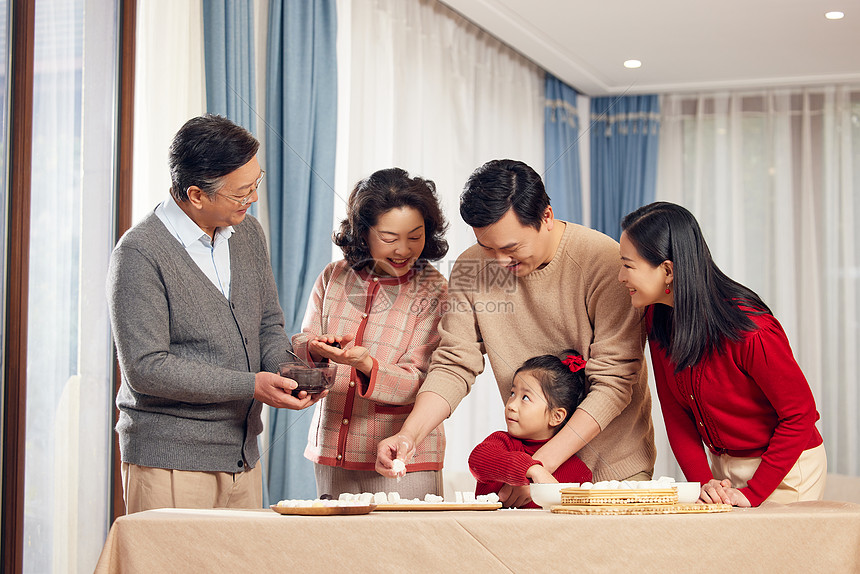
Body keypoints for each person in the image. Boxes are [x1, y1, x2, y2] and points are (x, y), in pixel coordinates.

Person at [376, 159, 655, 508]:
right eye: (487, 247)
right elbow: (453, 364)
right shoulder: (472, 267)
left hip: (613, 470)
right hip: (529, 469)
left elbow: (614, 382)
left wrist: (538, 470)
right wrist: (409, 434)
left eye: (511, 248)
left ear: (547, 217)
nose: (498, 262)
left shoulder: (603, 261)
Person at [107, 114, 323, 514]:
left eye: (255, 184)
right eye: (242, 193)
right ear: (196, 195)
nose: (253, 199)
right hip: (170, 463)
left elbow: (268, 324)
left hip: (242, 457)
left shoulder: (247, 235)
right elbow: (146, 367)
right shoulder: (139, 254)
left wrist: (286, 372)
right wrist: (251, 385)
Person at [618, 201, 826, 507]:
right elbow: (676, 414)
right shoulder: (657, 317)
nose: (620, 276)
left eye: (628, 265)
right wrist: (703, 483)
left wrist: (754, 493)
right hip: (723, 470)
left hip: (785, 470)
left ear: (667, 271)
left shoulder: (749, 329)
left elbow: (800, 415)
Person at [292, 167, 449, 499]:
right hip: (332, 451)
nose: (404, 250)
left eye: (415, 236)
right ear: (363, 233)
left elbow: (422, 381)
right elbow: (302, 342)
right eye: (389, 238)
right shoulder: (333, 276)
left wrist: (366, 365)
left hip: (404, 460)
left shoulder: (434, 290)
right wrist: (318, 349)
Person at [469, 350, 592, 508]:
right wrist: (533, 469)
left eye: (525, 398)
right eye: (512, 394)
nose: (511, 405)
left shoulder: (578, 471)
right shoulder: (501, 444)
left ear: (556, 416)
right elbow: (477, 460)